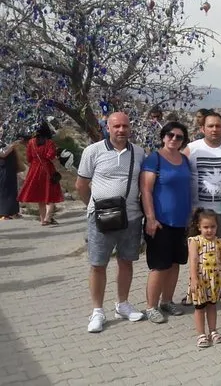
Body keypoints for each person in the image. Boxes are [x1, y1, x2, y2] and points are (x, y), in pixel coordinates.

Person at [75, 112, 146, 333]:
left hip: (131, 217)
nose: (121, 130)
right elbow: (81, 185)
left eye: (125, 126)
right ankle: (97, 311)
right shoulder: (92, 151)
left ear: (130, 128)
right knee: (98, 264)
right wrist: (94, 207)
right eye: (116, 126)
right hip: (100, 218)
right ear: (107, 128)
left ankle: (122, 304)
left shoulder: (139, 152)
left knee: (126, 262)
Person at [140, 122, 192, 324]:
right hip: (161, 222)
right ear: (163, 136)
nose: (174, 139)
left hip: (181, 222)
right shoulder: (154, 159)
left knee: (175, 263)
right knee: (160, 266)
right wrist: (151, 218)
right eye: (170, 135)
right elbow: (146, 190)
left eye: (179, 137)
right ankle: (151, 306)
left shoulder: (185, 160)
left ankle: (167, 301)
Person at [184, 111, 221, 302]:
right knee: (198, 253)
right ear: (202, 128)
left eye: (218, 126)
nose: (214, 129)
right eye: (210, 126)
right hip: (199, 211)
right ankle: (196, 287)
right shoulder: (192, 149)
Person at [187, 208, 221, 348]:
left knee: (212, 305)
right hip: (200, 279)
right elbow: (193, 260)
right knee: (199, 307)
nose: (209, 230)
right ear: (199, 227)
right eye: (205, 227)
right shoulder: (195, 241)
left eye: (212, 227)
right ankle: (201, 334)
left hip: (214, 279)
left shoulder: (220, 242)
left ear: (217, 227)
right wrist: (194, 278)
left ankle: (213, 331)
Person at [18, 122, 63, 226]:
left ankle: (43, 220)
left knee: (40, 197)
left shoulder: (31, 142)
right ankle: (47, 218)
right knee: (50, 195)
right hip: (47, 169)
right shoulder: (49, 143)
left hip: (34, 170)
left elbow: (29, 158)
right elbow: (51, 156)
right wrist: (59, 167)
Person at [0, 138, 23, 220]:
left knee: (13, 190)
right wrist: (12, 146)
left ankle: (14, 212)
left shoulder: (6, 141)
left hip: (10, 168)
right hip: (3, 169)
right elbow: (2, 154)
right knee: (5, 190)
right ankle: (4, 213)